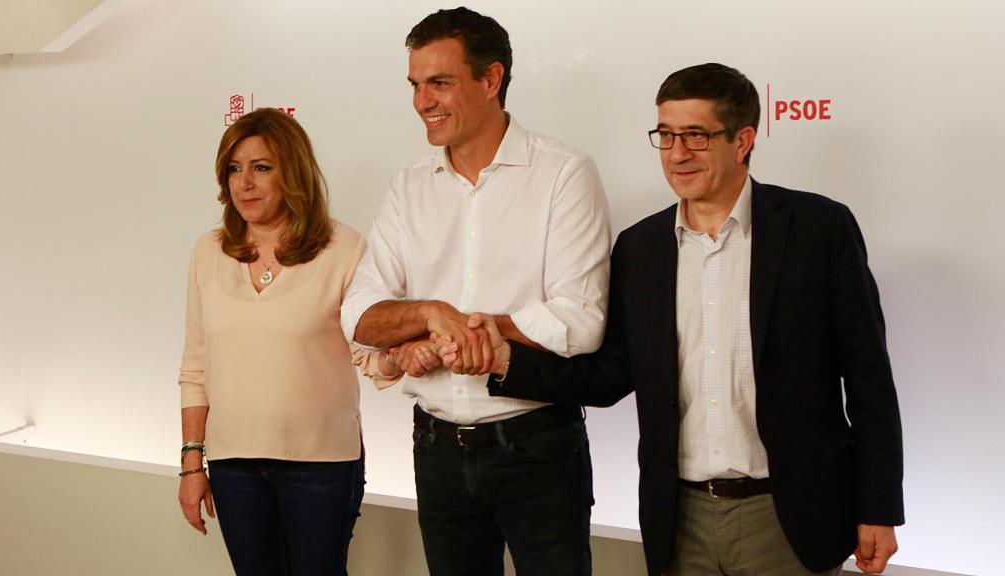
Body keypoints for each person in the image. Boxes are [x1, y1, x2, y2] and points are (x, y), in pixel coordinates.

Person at [446, 63, 904, 575]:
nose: (677, 153)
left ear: (743, 139)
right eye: (665, 136)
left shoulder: (819, 229)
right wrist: (507, 358)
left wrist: (878, 506)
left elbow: (869, 379)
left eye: (696, 136)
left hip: (789, 516)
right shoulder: (641, 248)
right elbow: (611, 374)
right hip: (678, 519)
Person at [340, 7, 611, 576]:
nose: (422, 102)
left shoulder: (563, 173)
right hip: (436, 450)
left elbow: (580, 320)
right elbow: (359, 316)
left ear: (491, 80)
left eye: (440, 82)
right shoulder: (408, 186)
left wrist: (474, 329)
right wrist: (431, 312)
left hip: (539, 447)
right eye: (415, 85)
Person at [176, 108, 367, 576]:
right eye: (234, 169)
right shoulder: (208, 250)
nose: (245, 183)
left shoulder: (346, 248)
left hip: (321, 463)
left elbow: (371, 349)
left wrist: (416, 349)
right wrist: (191, 463)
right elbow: (195, 368)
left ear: (294, 173)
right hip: (233, 464)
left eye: (261, 168)